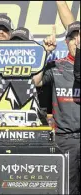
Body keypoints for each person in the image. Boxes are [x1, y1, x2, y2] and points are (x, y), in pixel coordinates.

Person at [33, 21, 80, 195]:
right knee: (66, 188)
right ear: (66, 42)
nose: (77, 42)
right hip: (65, 139)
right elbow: (35, 82)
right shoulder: (57, 65)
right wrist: (45, 52)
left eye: (80, 38)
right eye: (73, 38)